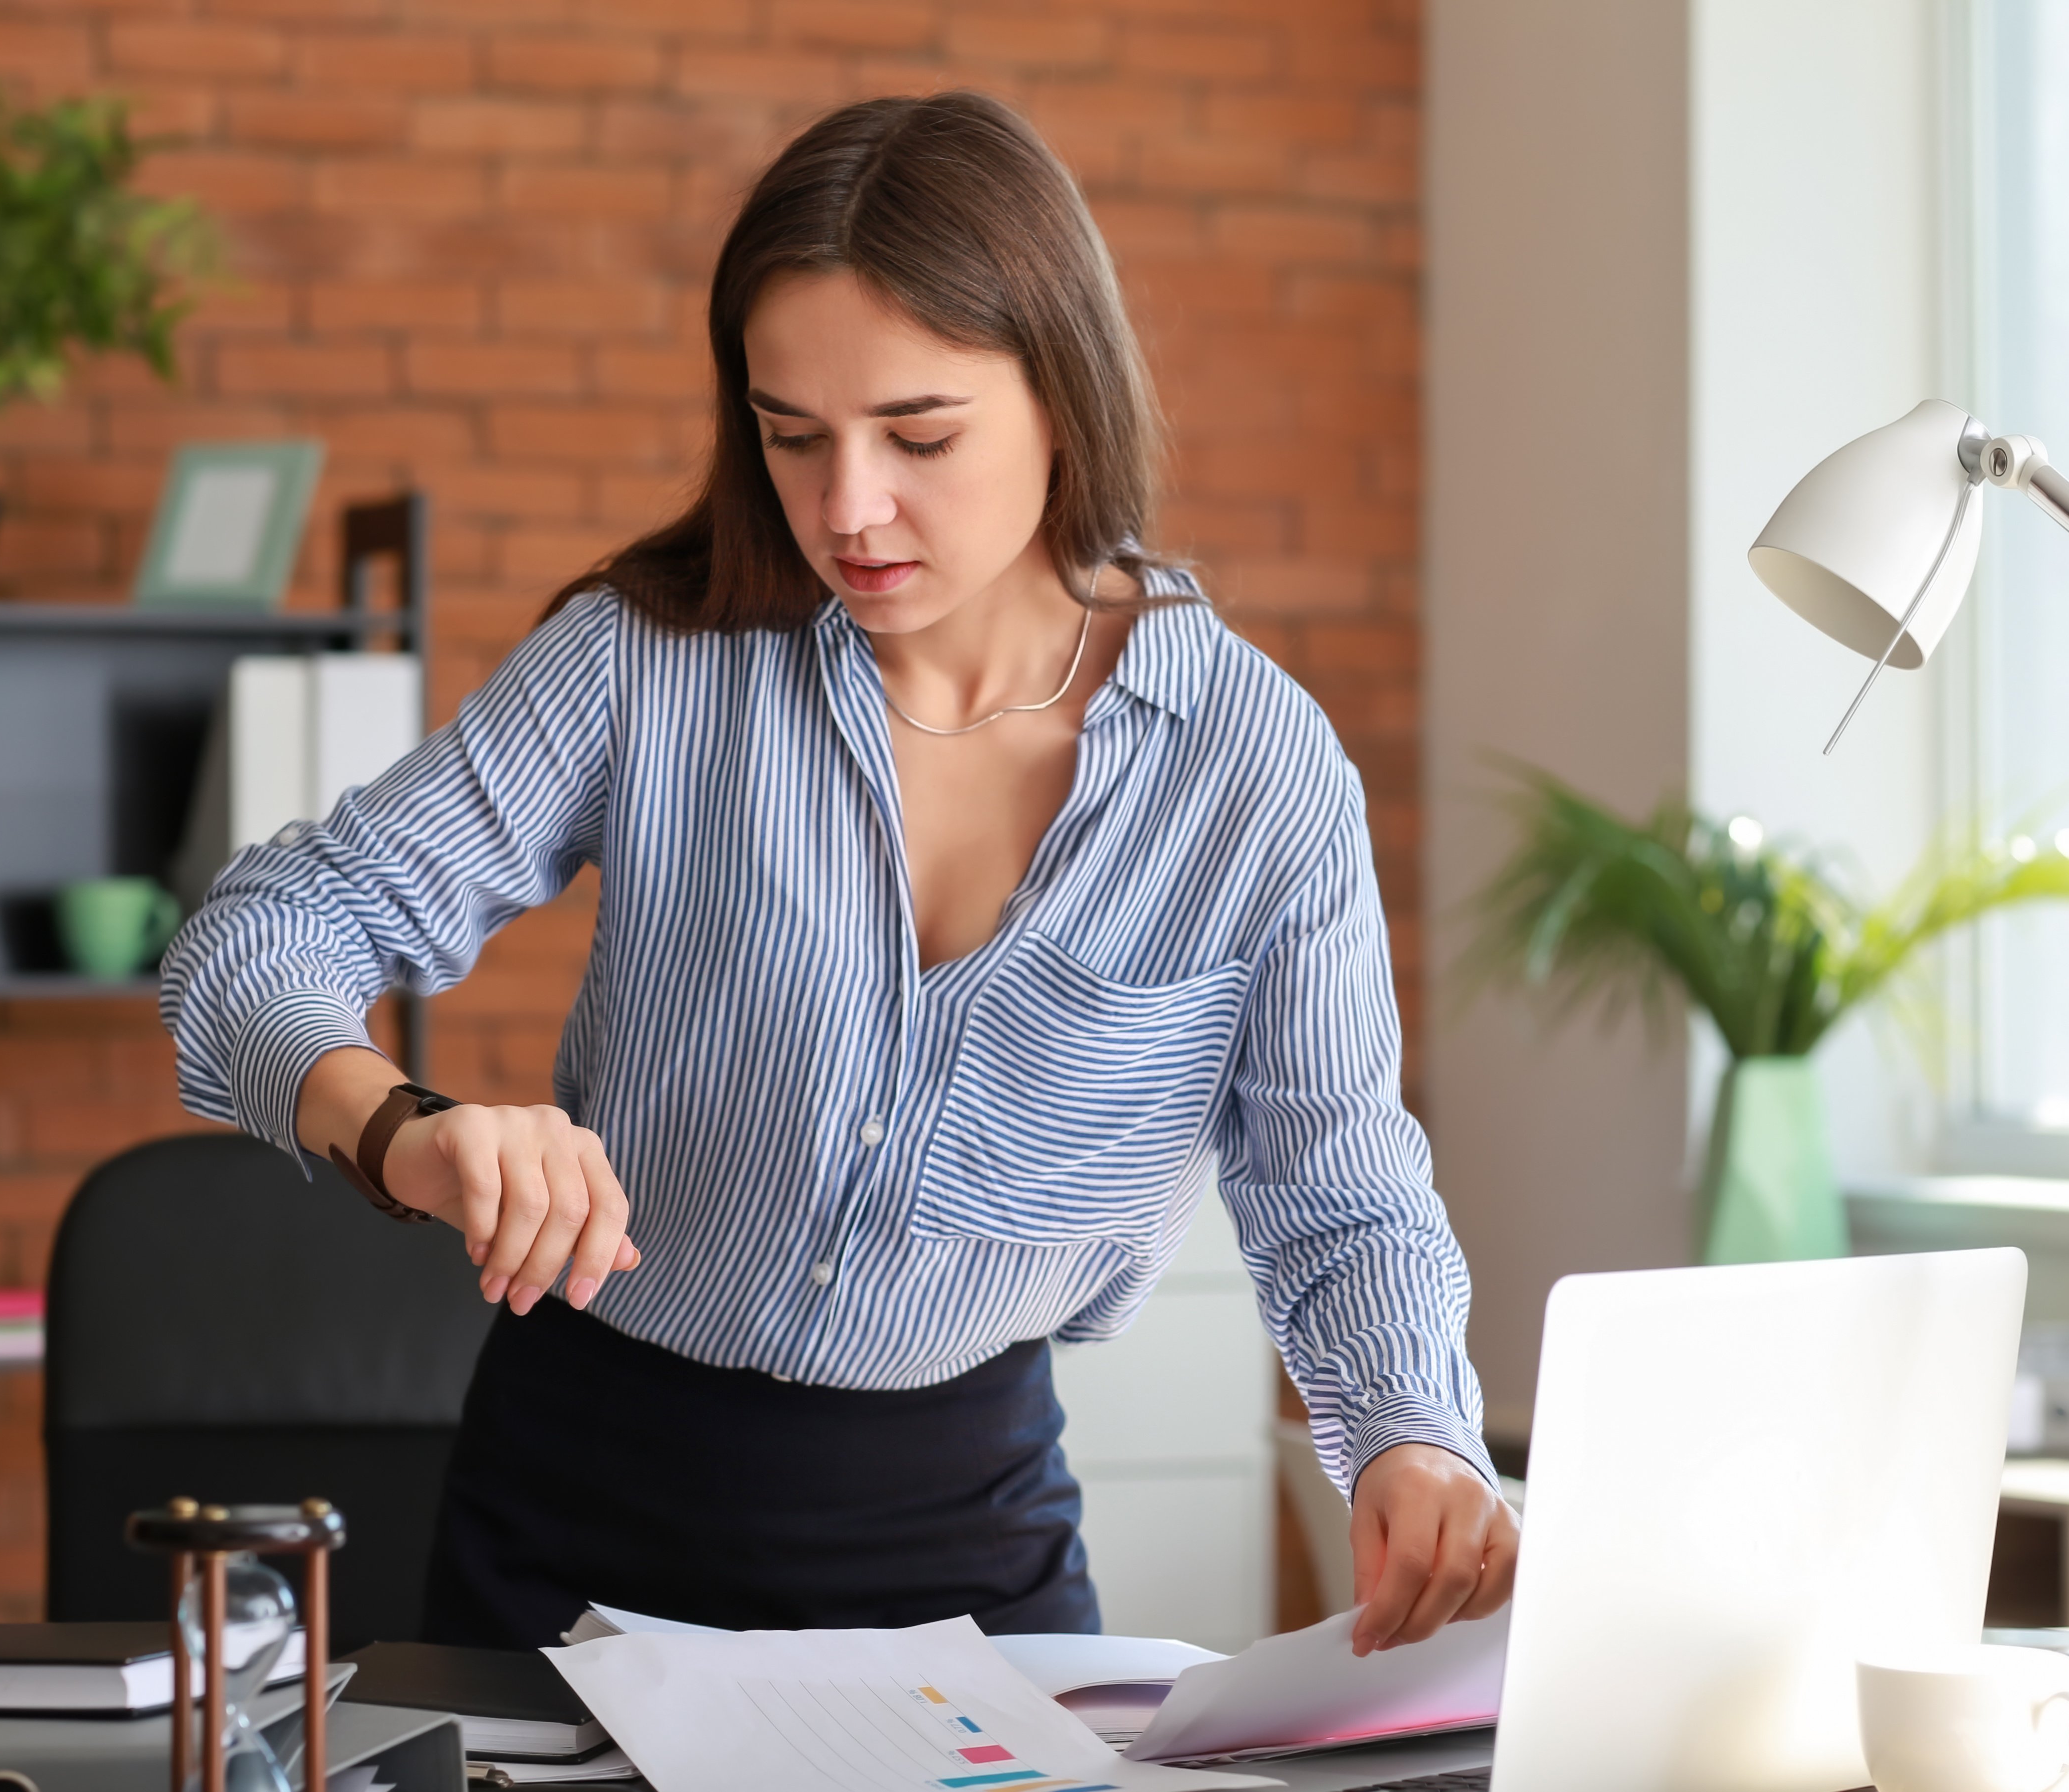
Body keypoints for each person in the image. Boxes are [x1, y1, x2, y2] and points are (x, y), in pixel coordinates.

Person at [161, 90, 1516, 1657]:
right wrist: (403, 1131)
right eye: (790, 434)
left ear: (1064, 396)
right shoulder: (649, 663)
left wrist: (1411, 1429)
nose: (845, 507)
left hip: (968, 1560)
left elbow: (1337, 1194)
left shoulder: (1253, 770)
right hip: (575, 1531)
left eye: (918, 434)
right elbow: (257, 939)